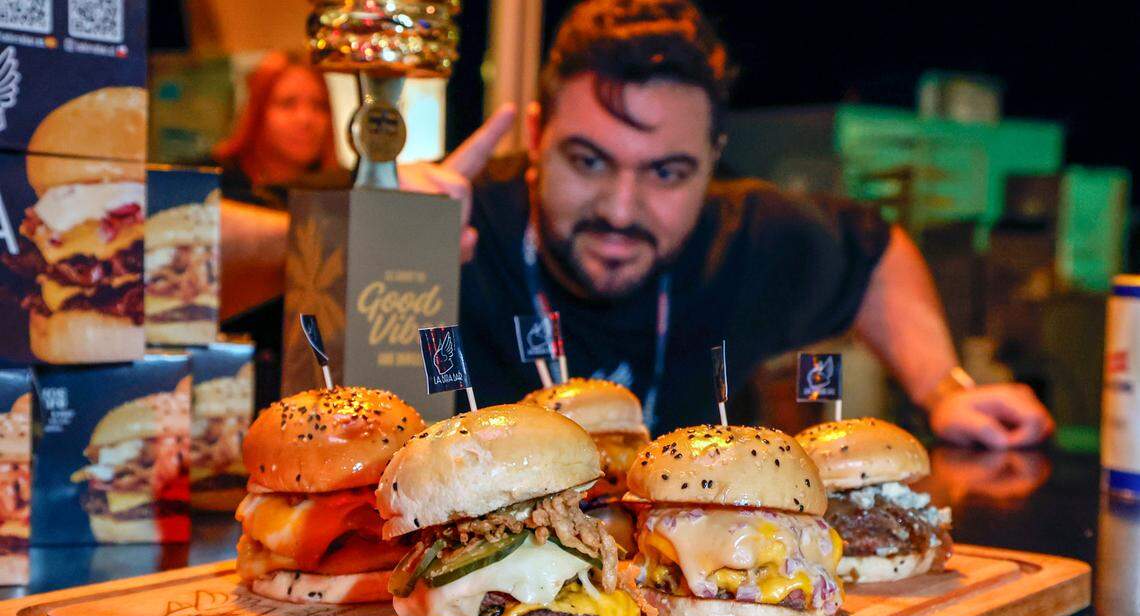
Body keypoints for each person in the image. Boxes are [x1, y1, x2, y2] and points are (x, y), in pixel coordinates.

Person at [399, 0, 1053, 448]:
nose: (621, 209)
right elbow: (290, 247)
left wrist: (943, 389)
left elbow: (875, 252)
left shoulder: (745, 236)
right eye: (590, 160)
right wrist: (366, 234)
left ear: (711, 162)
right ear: (538, 137)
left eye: (667, 173)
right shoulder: (450, 221)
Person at [213, 51, 349, 407]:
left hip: (319, 390)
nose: (306, 119)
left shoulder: (344, 192)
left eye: (318, 106)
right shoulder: (217, 187)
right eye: (288, 104)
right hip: (225, 388)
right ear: (258, 112)